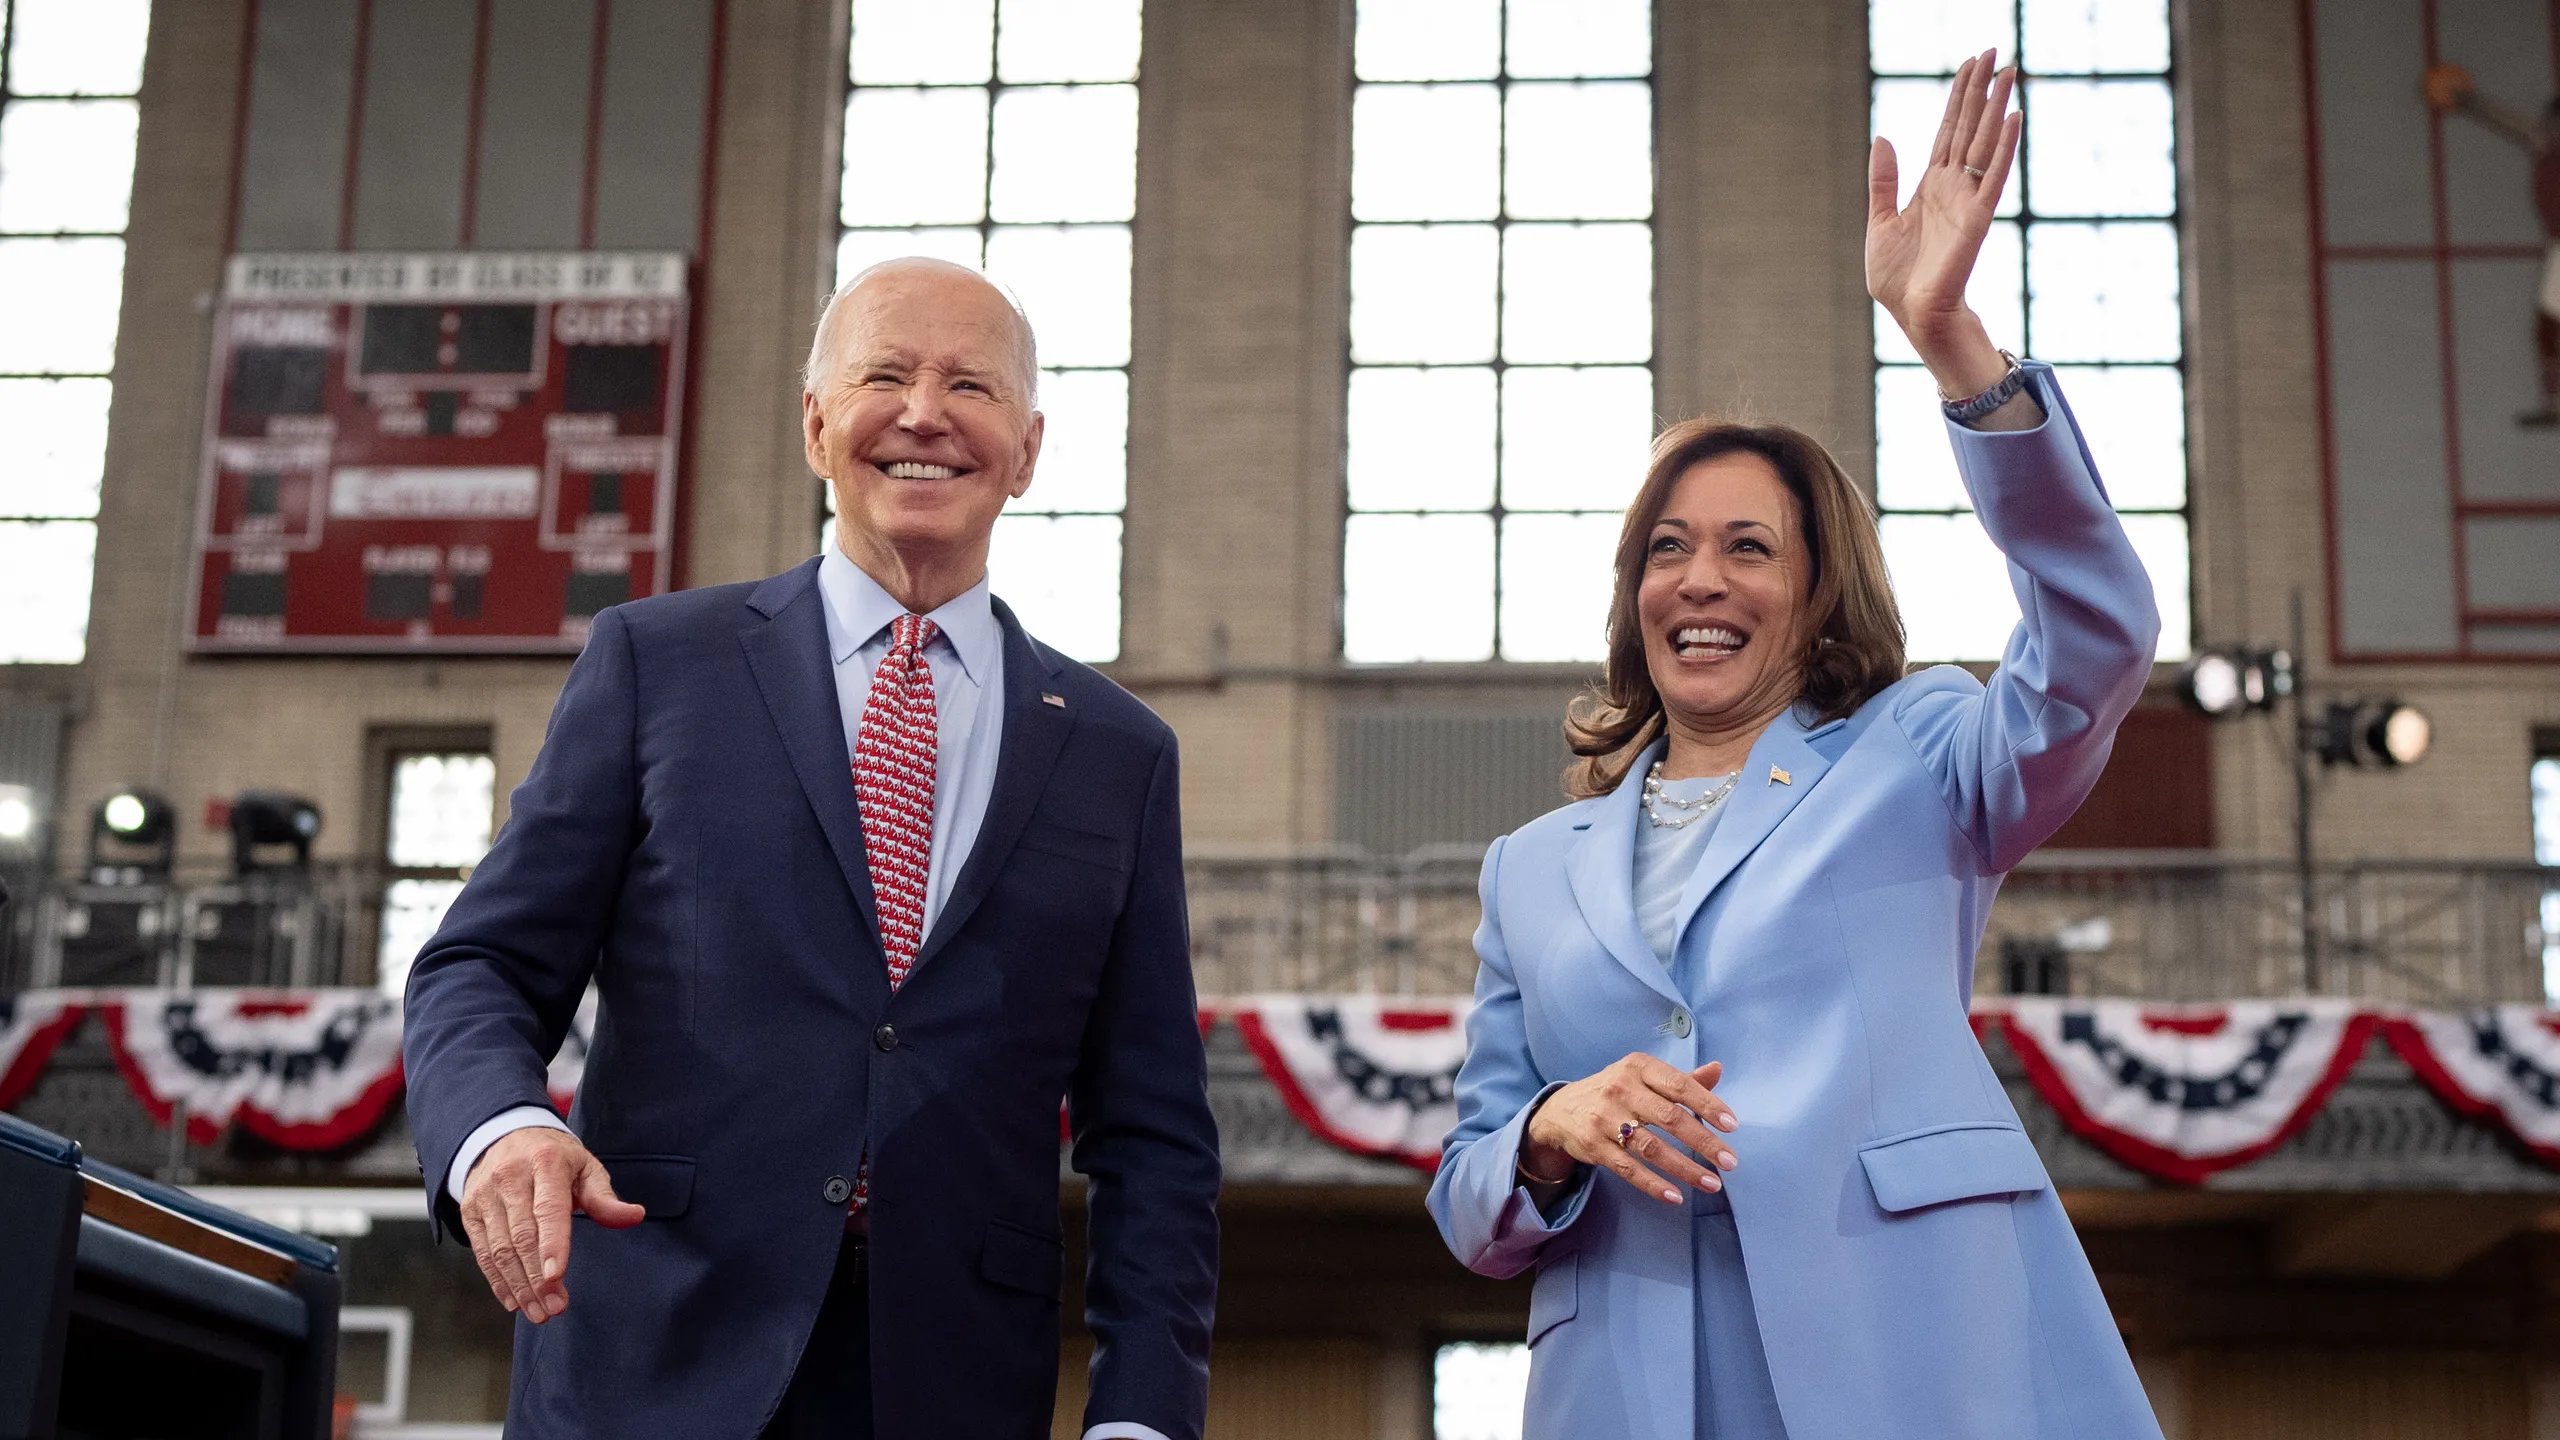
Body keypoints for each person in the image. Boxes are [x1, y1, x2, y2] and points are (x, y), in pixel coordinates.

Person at [1425, 55, 2164, 1440]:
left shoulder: (1924, 757)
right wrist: (1549, 1132)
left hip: (1915, 1365)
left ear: (1817, 590)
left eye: (1747, 548)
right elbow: (1470, 1195)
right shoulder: (1532, 871)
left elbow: (2101, 638)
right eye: (1667, 549)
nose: (1698, 580)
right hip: (1632, 1392)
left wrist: (1951, 343)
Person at [402, 258, 1220, 1440]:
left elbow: (1153, 1134)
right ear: (816, 422)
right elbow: (479, 967)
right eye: (884, 374)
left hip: (951, 1385)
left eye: (970, 387)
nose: (925, 414)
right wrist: (502, 1126)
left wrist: (1142, 1414)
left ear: (1028, 449)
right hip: (651, 1363)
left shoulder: (1116, 751)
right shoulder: (655, 665)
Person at [2426, 61, 2560, 426]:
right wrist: (2466, 99)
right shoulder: (2544, 142)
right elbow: (2508, 120)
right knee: (2547, 329)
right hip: (2558, 247)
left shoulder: (2549, 144)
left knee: (2548, 327)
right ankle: (2554, 401)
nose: (2547, 127)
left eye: (2553, 123)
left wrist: (2467, 100)